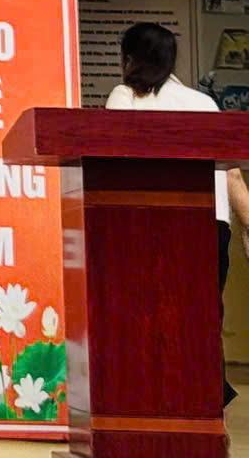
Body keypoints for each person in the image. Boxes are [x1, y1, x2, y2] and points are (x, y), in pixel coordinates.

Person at [107, 21, 249, 405]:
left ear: (128, 59)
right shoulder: (203, 103)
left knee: (150, 316)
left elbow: (115, 158)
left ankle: (156, 401)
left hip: (151, 224)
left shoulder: (124, 97)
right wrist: (248, 226)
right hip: (210, 225)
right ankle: (207, 405)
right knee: (204, 318)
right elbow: (232, 174)